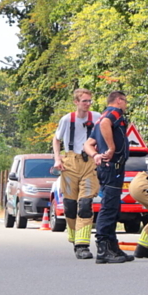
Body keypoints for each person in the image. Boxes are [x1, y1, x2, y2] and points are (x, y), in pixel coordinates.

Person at [83, 91, 135, 264]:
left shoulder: (101, 117)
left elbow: (88, 144)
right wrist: (111, 148)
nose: (125, 105)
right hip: (113, 167)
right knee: (110, 207)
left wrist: (95, 155)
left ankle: (112, 246)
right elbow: (106, 124)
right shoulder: (112, 114)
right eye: (125, 101)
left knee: (113, 207)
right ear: (119, 100)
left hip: (107, 167)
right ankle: (104, 249)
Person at [52, 89, 102, 259]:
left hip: (89, 162)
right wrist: (57, 159)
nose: (88, 104)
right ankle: (74, 237)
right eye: (84, 101)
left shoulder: (97, 117)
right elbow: (56, 139)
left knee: (86, 204)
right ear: (76, 102)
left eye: (90, 101)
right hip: (70, 163)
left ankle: (83, 245)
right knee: (70, 206)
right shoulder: (67, 119)